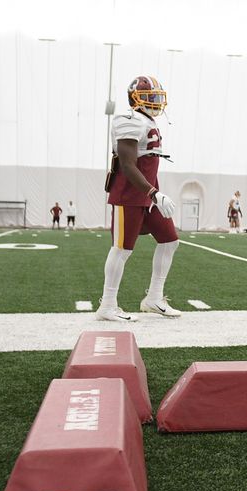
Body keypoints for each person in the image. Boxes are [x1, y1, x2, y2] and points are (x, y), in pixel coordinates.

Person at [95, 75, 181, 322]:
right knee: (122, 249)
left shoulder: (146, 121)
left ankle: (154, 298)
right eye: (150, 97)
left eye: (156, 97)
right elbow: (128, 165)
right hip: (130, 193)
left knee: (170, 241)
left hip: (148, 194)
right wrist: (153, 192)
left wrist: (154, 193)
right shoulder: (129, 119)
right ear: (135, 99)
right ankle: (107, 305)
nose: (155, 102)